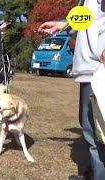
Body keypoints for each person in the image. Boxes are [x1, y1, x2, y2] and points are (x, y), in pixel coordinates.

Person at [38, 1, 105, 179]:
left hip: (98, 70)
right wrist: (63, 24)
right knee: (90, 131)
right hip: (89, 70)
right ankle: (92, 173)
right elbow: (88, 18)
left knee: (98, 136)